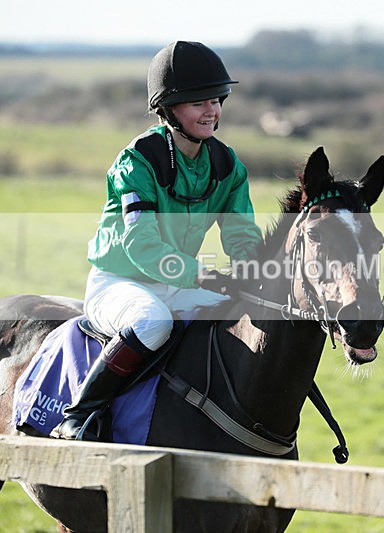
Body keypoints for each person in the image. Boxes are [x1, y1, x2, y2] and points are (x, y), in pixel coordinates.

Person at [51, 41, 263, 440]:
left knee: (237, 314)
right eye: (198, 102)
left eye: (216, 99)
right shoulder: (136, 162)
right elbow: (142, 245)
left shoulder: (228, 165)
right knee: (152, 322)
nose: (212, 110)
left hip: (175, 285)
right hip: (119, 284)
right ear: (167, 109)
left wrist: (253, 271)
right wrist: (200, 275)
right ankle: (79, 415)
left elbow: (241, 234)